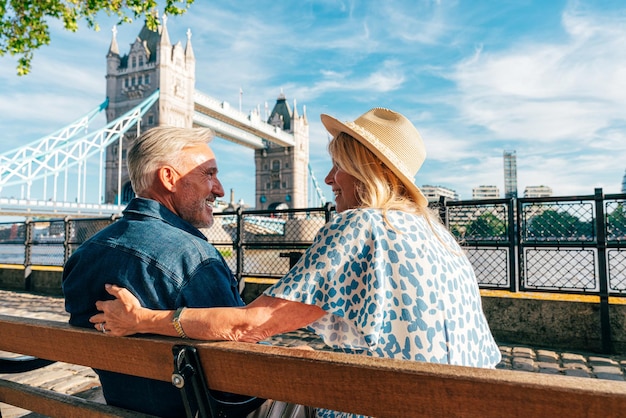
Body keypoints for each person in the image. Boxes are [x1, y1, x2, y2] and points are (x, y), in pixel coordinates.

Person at [90, 108, 502, 418]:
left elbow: (246, 325)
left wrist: (142, 320)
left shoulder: (359, 226)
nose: (327, 180)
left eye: (337, 166)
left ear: (366, 172)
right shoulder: (438, 236)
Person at [63, 126, 253, 417]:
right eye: (209, 174)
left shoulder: (82, 258)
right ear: (168, 178)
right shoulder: (196, 259)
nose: (220, 189)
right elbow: (243, 364)